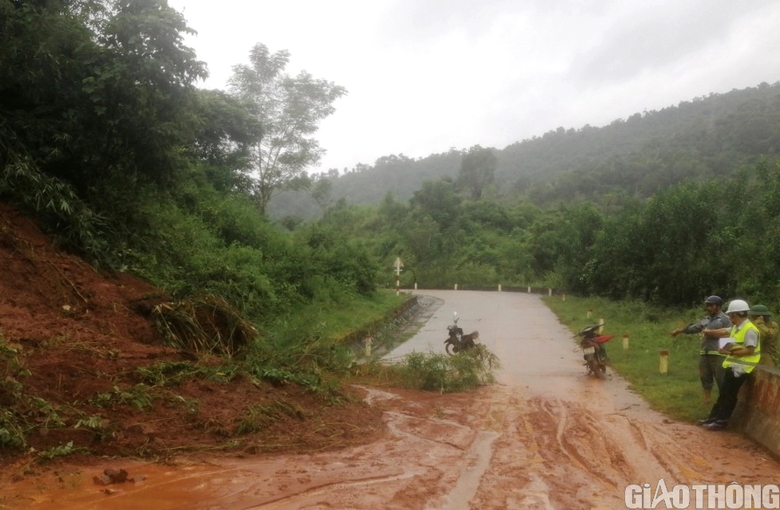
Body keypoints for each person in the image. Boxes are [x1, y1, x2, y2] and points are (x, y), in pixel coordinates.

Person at [700, 299, 761, 430]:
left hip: (742, 368)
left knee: (729, 395)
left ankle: (721, 421)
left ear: (735, 314)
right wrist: (709, 332)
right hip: (733, 366)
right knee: (724, 393)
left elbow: (750, 350)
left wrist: (729, 352)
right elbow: (724, 331)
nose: (729, 317)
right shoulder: (737, 328)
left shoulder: (750, 330)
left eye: (730, 315)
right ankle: (713, 418)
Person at [670, 295, 731, 404]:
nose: (709, 308)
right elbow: (694, 328)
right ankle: (707, 399)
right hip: (705, 352)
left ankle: (723, 401)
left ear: (718, 306)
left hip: (719, 354)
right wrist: (679, 331)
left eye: (711, 306)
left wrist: (716, 337)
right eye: (707, 306)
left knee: (721, 378)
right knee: (705, 376)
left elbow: (730, 335)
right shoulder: (706, 320)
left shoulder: (725, 319)